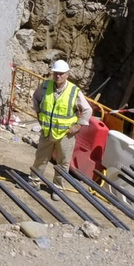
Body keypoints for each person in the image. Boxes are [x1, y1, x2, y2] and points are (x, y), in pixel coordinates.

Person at [31, 59, 92, 188]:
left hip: (66, 134)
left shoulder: (74, 91)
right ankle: (34, 181)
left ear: (67, 75)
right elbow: (36, 99)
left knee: (63, 163)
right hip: (47, 132)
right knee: (40, 158)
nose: (58, 76)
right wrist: (39, 115)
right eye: (56, 73)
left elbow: (87, 109)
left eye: (61, 73)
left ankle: (58, 187)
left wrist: (78, 125)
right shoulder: (45, 86)